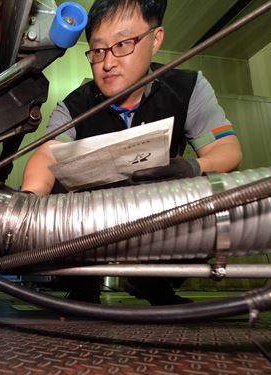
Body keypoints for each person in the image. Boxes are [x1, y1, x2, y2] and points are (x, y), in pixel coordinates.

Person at [21, 0, 242, 305]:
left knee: (211, 190)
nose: (108, 62)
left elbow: (226, 150)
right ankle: (82, 283)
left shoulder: (188, 88)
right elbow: (46, 156)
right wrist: (27, 207)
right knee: (54, 184)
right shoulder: (73, 106)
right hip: (92, 222)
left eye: (123, 44)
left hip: (161, 214)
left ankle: (153, 282)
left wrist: (191, 168)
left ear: (156, 39)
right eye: (98, 51)